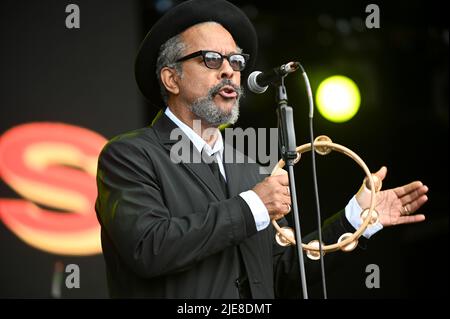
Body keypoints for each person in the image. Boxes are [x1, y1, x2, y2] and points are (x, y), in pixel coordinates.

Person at [95, 0, 429, 298]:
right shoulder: (130, 155)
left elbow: (283, 271)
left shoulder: (249, 169)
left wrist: (355, 220)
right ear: (171, 78)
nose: (229, 70)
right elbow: (148, 248)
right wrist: (252, 205)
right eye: (211, 59)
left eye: (236, 61)